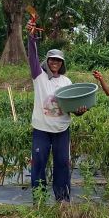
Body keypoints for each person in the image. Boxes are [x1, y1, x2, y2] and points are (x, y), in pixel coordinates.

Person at [26, 21, 85, 204]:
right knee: (38, 164)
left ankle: (63, 200)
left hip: (61, 129)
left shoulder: (67, 82)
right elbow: (32, 57)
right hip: (41, 129)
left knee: (62, 164)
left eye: (58, 60)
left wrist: (80, 111)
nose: (55, 63)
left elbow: (71, 107)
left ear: (62, 63)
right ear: (47, 61)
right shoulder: (39, 76)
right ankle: (39, 200)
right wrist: (31, 37)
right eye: (52, 59)